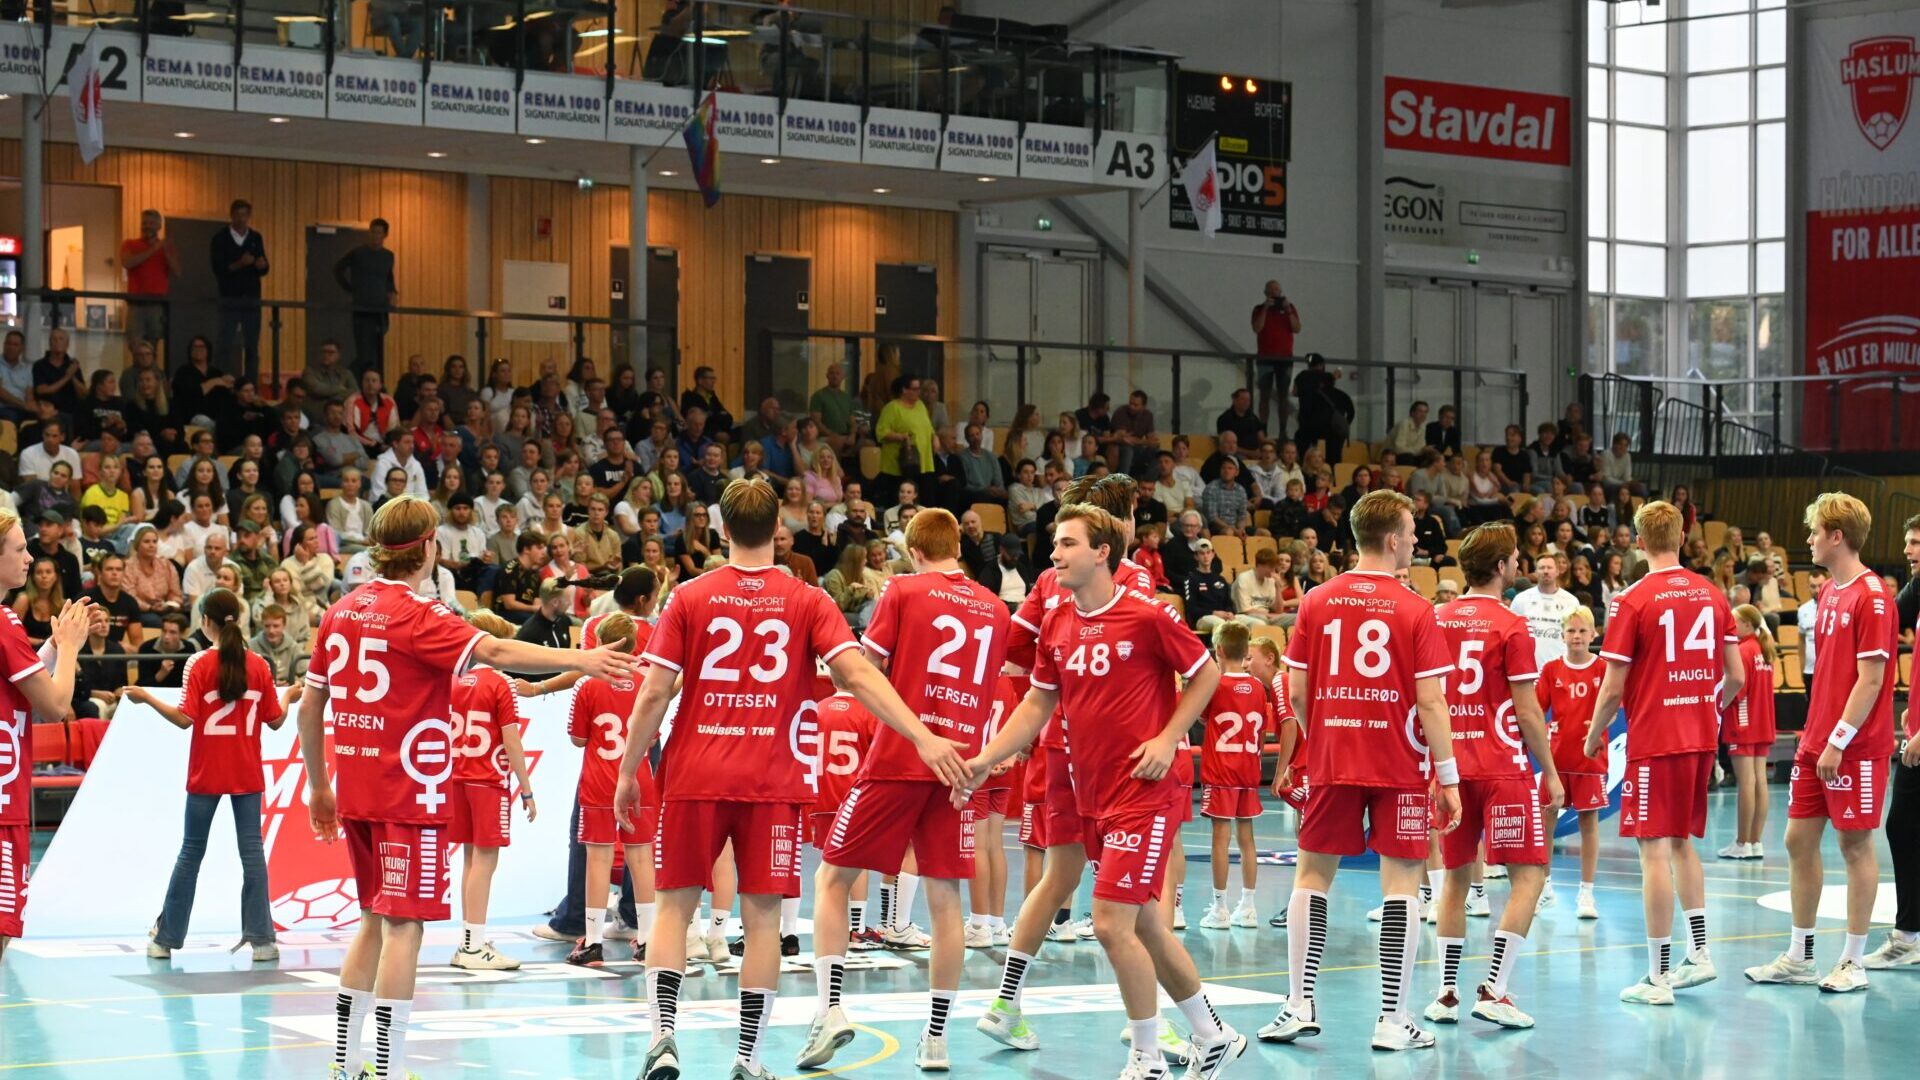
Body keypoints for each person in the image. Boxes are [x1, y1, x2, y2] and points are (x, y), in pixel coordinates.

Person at [608, 478, 969, 1080]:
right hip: (772, 782)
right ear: (780, 528)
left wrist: (628, 770)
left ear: (722, 529)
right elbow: (858, 676)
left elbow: (653, 694)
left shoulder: (690, 596)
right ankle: (747, 1059)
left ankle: (663, 1037)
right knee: (763, 921)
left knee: (672, 910)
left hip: (694, 774)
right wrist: (922, 735)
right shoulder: (808, 599)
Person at [295, 496, 635, 1080]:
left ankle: (345, 1065)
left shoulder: (342, 610)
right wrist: (583, 659)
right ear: (429, 547)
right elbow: (496, 651)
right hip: (409, 793)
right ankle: (386, 1068)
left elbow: (309, 707)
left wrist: (318, 786)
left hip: (356, 789)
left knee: (372, 920)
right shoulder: (418, 614)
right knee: (405, 927)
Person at [960, 503, 1246, 1078]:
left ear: (1102, 553)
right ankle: (1214, 1034)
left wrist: (1168, 737)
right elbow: (1037, 702)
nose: (1055, 554)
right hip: (1091, 793)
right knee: (1143, 925)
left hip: (1144, 792)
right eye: (1054, 544)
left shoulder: (1148, 615)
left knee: (1112, 923)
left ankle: (1147, 1058)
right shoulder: (1058, 621)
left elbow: (1206, 672)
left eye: (1067, 544)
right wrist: (985, 758)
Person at [801, 508, 1012, 1072]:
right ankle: (937, 1038)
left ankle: (829, 1010)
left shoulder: (903, 589)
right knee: (946, 900)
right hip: (960, 766)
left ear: (914, 551)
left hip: (900, 757)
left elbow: (861, 673)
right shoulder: (996, 609)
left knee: (832, 879)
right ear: (957, 546)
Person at [1258, 489, 1461, 1052]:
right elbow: (1432, 702)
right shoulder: (1417, 608)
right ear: (1392, 539)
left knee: (1311, 876)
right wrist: (1447, 777)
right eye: (1411, 533)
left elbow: (1296, 691)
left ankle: (1298, 1003)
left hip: (1333, 758)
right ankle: (1392, 1019)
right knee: (1402, 885)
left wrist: (1324, 735)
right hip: (1399, 762)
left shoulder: (1317, 599)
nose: (1416, 541)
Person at [1581, 500, 1742, 1006]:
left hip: (1656, 739)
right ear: (1682, 537)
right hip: (1700, 735)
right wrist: (1706, 709)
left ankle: (1656, 977)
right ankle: (1700, 953)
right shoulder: (1712, 593)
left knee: (1651, 849)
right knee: (1680, 843)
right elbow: (1736, 676)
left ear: (1638, 541)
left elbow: (1612, 688)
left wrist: (1592, 736)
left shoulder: (1632, 600)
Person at [1744, 493, 1897, 994]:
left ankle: (1852, 962)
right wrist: (1820, 739)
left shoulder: (1872, 596)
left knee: (1855, 845)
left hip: (1853, 746)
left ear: (1836, 536)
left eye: (1814, 532)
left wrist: (1838, 741)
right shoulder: (1830, 591)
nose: (1807, 539)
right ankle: (1800, 956)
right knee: (1797, 840)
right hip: (1816, 741)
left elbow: (1871, 681)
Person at [1425, 524, 1561, 1030]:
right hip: (1502, 766)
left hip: (1450, 768)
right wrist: (1551, 772)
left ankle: (1445, 994)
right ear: (1502, 566)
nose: (1519, 564)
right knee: (1530, 876)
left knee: (1456, 879)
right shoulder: (1512, 624)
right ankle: (1495, 990)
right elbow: (1527, 711)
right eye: (1515, 558)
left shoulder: (1436, 618)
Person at [124, 589, 284, 961]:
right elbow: (276, 721)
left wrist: (147, 698)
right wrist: (288, 697)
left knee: (191, 852)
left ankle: (165, 940)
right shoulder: (259, 664)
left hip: (206, 773)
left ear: (205, 621)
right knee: (252, 854)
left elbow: (185, 719)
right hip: (247, 773)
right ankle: (263, 941)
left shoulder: (198, 663)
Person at [0, 509, 91, 964]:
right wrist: (70, 648)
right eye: (20, 549)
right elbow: (55, 706)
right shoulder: (4, 622)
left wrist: (52, 647)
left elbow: (20, 677)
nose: (29, 557)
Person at [562, 613, 657, 970]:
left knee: (598, 860)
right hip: (638, 780)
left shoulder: (588, 684)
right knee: (641, 858)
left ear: (600, 642)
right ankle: (647, 940)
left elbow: (577, 739)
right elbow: (652, 737)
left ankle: (593, 943)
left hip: (599, 782)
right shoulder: (647, 682)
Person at [1197, 623, 1273, 931]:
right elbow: (1263, 729)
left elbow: (1201, 715)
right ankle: (1249, 907)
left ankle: (1220, 908)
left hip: (1221, 771)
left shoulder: (1214, 684)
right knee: (1247, 838)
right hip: (1249, 769)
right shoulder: (1257, 686)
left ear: (1218, 650)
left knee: (1220, 838)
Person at [1534, 606, 1607, 920]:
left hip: (1589, 760)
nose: (1576, 636)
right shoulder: (1551, 669)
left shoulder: (1603, 668)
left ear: (1593, 634)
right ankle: (1544, 887)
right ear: (1562, 635)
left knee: (1588, 824)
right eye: (1571, 631)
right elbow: (1536, 710)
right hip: (1557, 760)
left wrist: (1599, 727)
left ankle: (1587, 893)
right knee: (1546, 821)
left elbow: (1613, 706)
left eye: (1582, 631)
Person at [1717, 604, 1778, 861]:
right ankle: (1755, 842)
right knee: (1759, 781)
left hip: (1743, 722)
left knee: (1747, 783)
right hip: (1763, 722)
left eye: (1735, 622)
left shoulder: (1742, 651)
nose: (1731, 626)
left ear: (1747, 625)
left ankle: (1742, 842)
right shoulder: (1764, 650)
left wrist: (1719, 705)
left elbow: (1737, 683)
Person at [210, 199, 269, 380]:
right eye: (237, 215)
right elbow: (218, 269)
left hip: (251, 298)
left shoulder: (255, 237)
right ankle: (221, 383)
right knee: (225, 343)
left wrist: (262, 266)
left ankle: (250, 385)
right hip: (230, 298)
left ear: (249, 216)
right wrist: (240, 263)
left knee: (252, 345)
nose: (241, 219)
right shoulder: (220, 238)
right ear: (231, 216)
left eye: (244, 215)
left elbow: (264, 268)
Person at [333, 219, 398, 375]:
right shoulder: (358, 253)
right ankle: (356, 377)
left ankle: (374, 379)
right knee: (364, 350)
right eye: (373, 232)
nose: (375, 236)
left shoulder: (388, 256)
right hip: (362, 306)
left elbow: (388, 277)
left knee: (377, 349)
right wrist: (350, 289)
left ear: (385, 235)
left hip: (381, 307)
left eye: (378, 233)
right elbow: (338, 269)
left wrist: (392, 292)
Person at [1511, 552, 1581, 667]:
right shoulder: (1521, 599)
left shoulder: (1571, 601)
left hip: (1560, 667)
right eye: (1542, 568)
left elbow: (1576, 635)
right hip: (1528, 668)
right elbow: (1511, 635)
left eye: (1549, 567)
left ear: (1557, 571)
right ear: (1535, 572)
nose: (1546, 571)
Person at [1252, 279, 1301, 431]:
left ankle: (1283, 430)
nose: (1275, 292)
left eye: (1277, 289)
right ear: (1266, 292)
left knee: (1283, 396)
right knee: (1264, 395)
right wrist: (1266, 309)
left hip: (1285, 358)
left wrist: (1288, 310)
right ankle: (1263, 428)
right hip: (1265, 358)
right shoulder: (1259, 309)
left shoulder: (1290, 308)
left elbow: (1297, 328)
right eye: (1272, 289)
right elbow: (1257, 328)